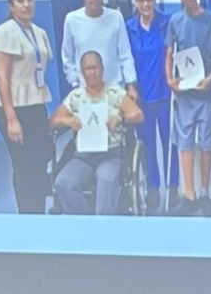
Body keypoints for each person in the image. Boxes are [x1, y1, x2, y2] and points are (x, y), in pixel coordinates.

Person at [0, 0, 56, 213]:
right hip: (13, 109)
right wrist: (11, 119)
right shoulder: (5, 32)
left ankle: (38, 212)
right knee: (25, 166)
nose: (26, 4)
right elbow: (2, 78)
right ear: (11, 5)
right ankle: (27, 215)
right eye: (20, 0)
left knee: (41, 160)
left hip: (36, 105)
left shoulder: (39, 32)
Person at [51, 50, 144, 214]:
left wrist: (120, 118)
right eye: (88, 68)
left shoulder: (115, 93)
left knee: (106, 179)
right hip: (83, 156)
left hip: (110, 154)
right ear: (82, 72)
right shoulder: (75, 97)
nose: (92, 72)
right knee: (63, 182)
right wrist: (68, 121)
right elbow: (53, 121)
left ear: (102, 69)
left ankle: (103, 224)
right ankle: (86, 220)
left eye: (95, 67)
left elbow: (138, 115)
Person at [165, 0, 211, 215]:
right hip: (185, 94)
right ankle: (189, 194)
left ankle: (204, 193)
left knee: (207, 144)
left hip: (206, 92)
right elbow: (169, 53)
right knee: (185, 144)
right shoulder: (175, 21)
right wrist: (169, 79)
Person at [125, 0, 175, 211]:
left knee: (170, 143)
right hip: (142, 96)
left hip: (165, 94)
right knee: (147, 145)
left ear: (154, 0)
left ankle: (173, 187)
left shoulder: (167, 23)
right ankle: (153, 187)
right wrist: (130, 87)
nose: (145, 4)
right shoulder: (129, 28)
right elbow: (125, 59)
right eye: (141, 0)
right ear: (135, 2)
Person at [60, 0, 137, 96]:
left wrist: (131, 84)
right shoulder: (71, 20)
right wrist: (74, 83)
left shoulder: (116, 17)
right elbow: (67, 57)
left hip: (114, 90)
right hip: (86, 91)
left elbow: (125, 54)